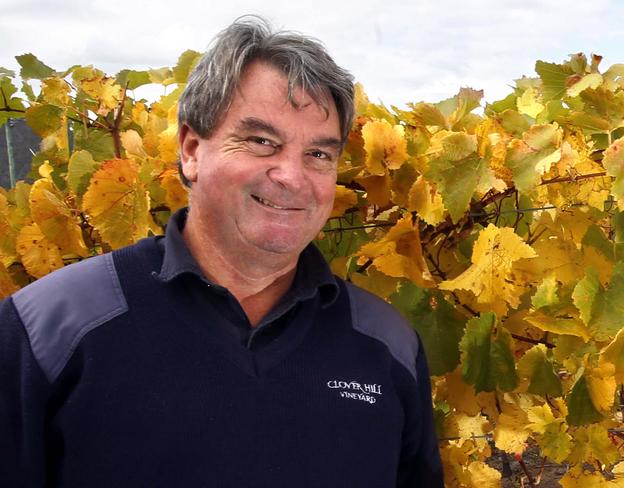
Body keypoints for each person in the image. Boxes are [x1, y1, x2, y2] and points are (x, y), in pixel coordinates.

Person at [0, 17, 444, 487]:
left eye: (319, 154)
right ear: (191, 150)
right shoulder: (47, 330)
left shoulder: (387, 344)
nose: (292, 176)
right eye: (260, 141)